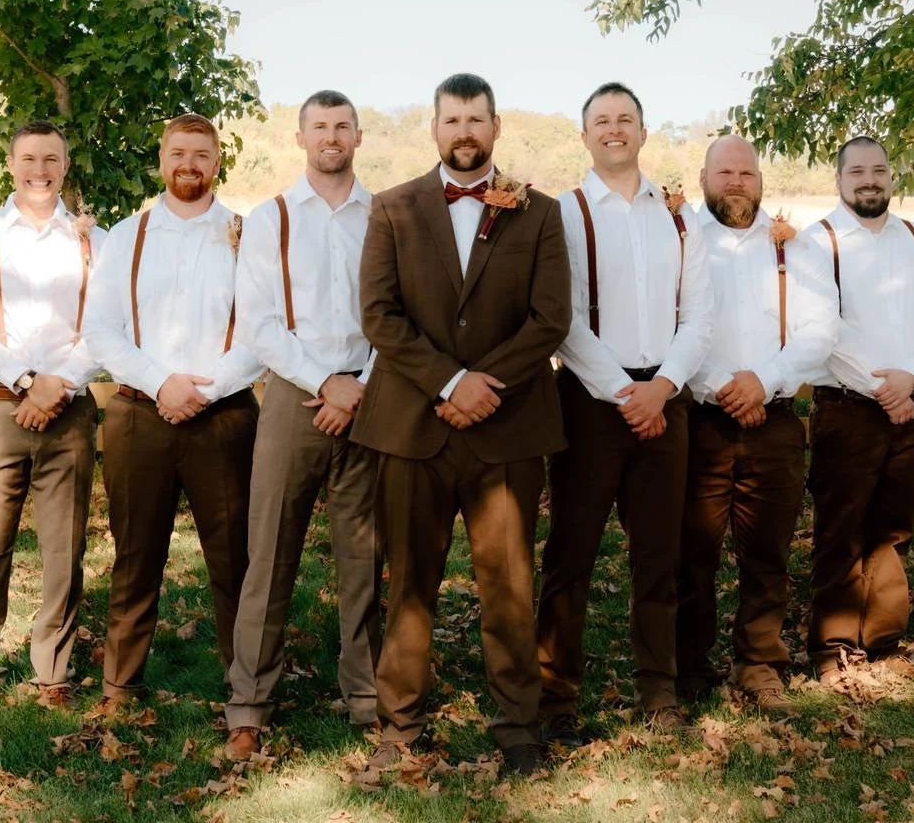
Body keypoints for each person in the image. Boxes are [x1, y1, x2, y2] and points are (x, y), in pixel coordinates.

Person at [352, 73, 570, 776]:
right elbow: (379, 314)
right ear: (434, 128)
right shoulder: (392, 208)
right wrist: (449, 382)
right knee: (409, 583)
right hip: (413, 426)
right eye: (452, 120)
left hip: (508, 428)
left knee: (509, 586)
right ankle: (400, 726)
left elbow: (550, 319)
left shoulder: (539, 212)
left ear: (496, 127)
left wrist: (483, 385)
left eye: (477, 119)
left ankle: (519, 729)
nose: (465, 132)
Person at [535, 83, 712, 740]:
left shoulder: (678, 217)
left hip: (665, 399)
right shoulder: (566, 213)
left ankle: (658, 690)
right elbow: (562, 319)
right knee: (571, 552)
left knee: (660, 553)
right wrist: (622, 393)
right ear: (585, 135)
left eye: (626, 119)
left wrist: (662, 387)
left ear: (643, 130)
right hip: (590, 401)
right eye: (602, 121)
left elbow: (699, 315)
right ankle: (554, 697)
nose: (615, 129)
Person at [222, 91, 384, 759]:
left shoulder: (384, 215)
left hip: (372, 396)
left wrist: (362, 383)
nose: (331, 136)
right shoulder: (272, 219)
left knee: (365, 555)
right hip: (296, 396)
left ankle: (368, 696)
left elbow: (399, 311)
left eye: (342, 125)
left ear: (359, 136)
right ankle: (249, 704)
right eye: (319, 126)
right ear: (301, 138)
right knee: (270, 552)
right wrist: (325, 383)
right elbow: (259, 323)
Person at [83, 113, 262, 704]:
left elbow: (262, 330)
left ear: (217, 162)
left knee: (235, 558)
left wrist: (205, 391)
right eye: (178, 153)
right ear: (161, 160)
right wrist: (162, 383)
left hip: (225, 416)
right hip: (140, 415)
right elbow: (100, 329)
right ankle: (120, 686)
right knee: (135, 555)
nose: (189, 164)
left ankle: (246, 691)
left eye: (201, 154)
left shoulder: (246, 235)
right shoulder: (126, 236)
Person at [675, 134, 835, 711]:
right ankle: (688, 665)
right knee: (692, 550)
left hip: (774, 422)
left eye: (746, 173)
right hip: (701, 419)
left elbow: (820, 329)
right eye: (725, 173)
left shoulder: (795, 246)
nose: (737, 182)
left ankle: (759, 661)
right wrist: (725, 386)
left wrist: (762, 382)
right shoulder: (681, 239)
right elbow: (671, 324)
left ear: (760, 179)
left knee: (767, 550)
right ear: (703, 179)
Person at [0, 120, 99, 709]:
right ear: (11, 165)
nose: (40, 170)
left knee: (65, 549)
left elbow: (104, 327)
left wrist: (58, 387)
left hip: (70, 412)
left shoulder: (94, 240)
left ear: (65, 166)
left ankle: (52, 672)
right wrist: (29, 382)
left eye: (51, 159)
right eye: (29, 159)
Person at [800, 136, 914, 691]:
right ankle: (833, 646)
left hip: (912, 404)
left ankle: (882, 639)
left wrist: (910, 377)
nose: (870, 180)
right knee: (841, 528)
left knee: (893, 528)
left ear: (892, 177)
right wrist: (881, 388)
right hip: (847, 408)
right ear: (839, 180)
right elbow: (822, 329)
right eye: (858, 171)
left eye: (879, 170)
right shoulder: (817, 242)